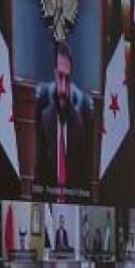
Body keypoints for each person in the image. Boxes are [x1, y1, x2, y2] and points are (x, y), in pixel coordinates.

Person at [35, 40, 94, 191]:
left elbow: (84, 180)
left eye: (67, 79)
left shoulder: (81, 120)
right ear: (54, 74)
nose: (62, 88)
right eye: (60, 77)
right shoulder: (44, 116)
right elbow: (39, 173)